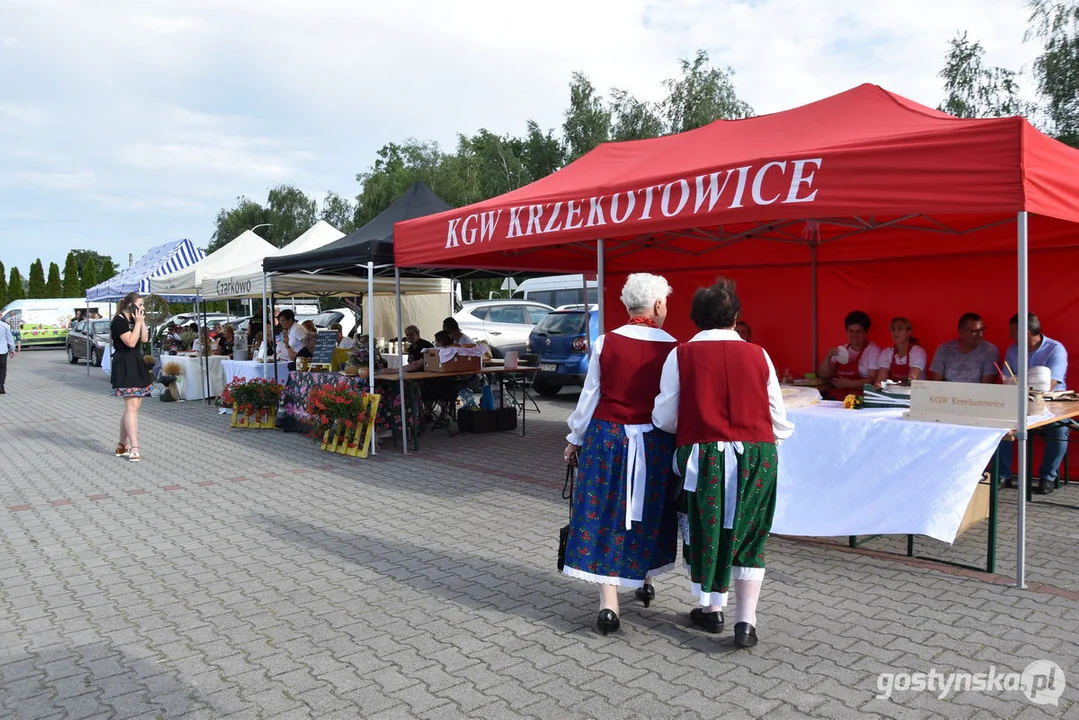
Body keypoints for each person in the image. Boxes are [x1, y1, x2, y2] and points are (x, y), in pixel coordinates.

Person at [652, 277, 795, 649]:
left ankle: (711, 607)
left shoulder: (681, 354)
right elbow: (778, 417)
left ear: (696, 319)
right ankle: (745, 621)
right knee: (749, 533)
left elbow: (665, 417)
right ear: (735, 318)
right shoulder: (758, 354)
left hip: (705, 453)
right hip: (757, 453)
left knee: (705, 528)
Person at [562, 273, 680, 636]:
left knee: (605, 511)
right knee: (649, 509)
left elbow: (590, 396)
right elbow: (672, 405)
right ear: (658, 305)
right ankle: (643, 577)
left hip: (607, 438)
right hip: (655, 442)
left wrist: (574, 437)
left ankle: (609, 605)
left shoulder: (604, 342)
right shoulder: (675, 346)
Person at [998, 312, 1069, 495]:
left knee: (1059, 431)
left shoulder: (1055, 349)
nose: (1010, 336)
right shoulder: (1013, 349)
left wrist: (1020, 382)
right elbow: (1009, 378)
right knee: (1000, 425)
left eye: (1014, 332)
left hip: (1050, 404)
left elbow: (1049, 385)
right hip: (1019, 402)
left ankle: (1048, 477)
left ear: (1027, 332)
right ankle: (1003, 474)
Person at [111, 292, 153, 462]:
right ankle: (134, 446)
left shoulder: (134, 320)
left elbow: (144, 339)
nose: (142, 308)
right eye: (140, 305)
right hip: (125, 364)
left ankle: (122, 444)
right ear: (131, 305)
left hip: (136, 363)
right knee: (131, 405)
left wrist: (140, 322)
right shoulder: (119, 321)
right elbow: (130, 342)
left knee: (134, 406)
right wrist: (137, 324)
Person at [817, 310, 881, 396]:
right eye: (851, 331)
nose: (854, 335)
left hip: (861, 396)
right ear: (846, 331)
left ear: (865, 333)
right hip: (839, 394)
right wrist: (828, 357)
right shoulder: (841, 350)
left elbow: (871, 379)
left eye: (858, 331)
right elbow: (823, 375)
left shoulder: (873, 351)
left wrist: (851, 383)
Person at [928, 312, 999, 384]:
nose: (980, 335)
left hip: (977, 394)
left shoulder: (989, 351)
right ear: (960, 332)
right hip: (947, 394)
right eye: (974, 331)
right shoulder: (944, 349)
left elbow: (987, 387)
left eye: (982, 330)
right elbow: (936, 384)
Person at [870, 317, 927, 386]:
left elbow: (912, 379)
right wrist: (878, 386)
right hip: (892, 393)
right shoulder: (886, 353)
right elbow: (881, 379)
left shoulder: (918, 351)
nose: (896, 332)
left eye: (900, 329)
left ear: (909, 332)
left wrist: (894, 387)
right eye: (893, 329)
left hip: (915, 394)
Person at [0, 317, 15, 394]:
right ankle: (1, 386)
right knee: (2, 368)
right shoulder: (5, 325)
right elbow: (10, 338)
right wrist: (12, 349)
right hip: (2, 350)